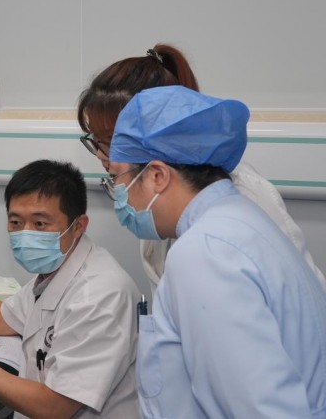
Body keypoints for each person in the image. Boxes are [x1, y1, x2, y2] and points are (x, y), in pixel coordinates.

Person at [106, 85, 326, 417]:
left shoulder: (204, 252)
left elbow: (257, 410)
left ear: (157, 175)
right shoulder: (240, 220)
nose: (117, 194)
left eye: (116, 178)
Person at [77, 44, 326, 292]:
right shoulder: (155, 202)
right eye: (95, 140)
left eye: (110, 141)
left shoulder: (242, 199)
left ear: (161, 129)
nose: (100, 154)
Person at [0, 160, 140, 419]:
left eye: (40, 224)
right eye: (15, 222)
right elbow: (3, 317)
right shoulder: (57, 270)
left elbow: (53, 407)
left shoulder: (101, 295)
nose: (25, 234)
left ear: (78, 225)